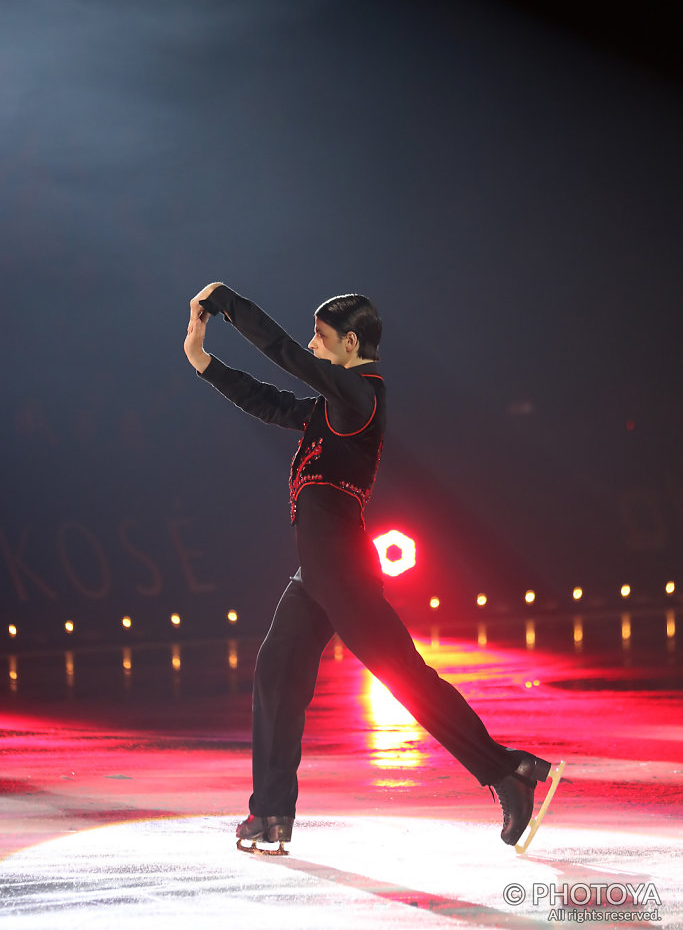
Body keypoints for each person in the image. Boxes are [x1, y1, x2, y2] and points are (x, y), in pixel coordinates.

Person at [184, 281, 562, 855]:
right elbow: (271, 401)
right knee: (277, 670)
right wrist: (206, 364)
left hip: (342, 571)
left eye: (322, 337)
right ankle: (270, 817)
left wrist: (229, 304)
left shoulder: (363, 397)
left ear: (351, 343)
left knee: (405, 678)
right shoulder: (334, 405)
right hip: (320, 574)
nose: (312, 345)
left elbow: (284, 352)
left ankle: (505, 770)